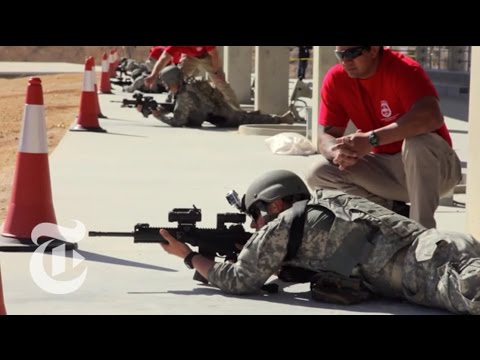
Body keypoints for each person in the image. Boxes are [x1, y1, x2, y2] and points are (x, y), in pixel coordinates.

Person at [159, 169, 480, 315]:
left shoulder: (283, 224)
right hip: (443, 248)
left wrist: (188, 256)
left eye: (256, 215)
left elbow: (241, 280)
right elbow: (342, 255)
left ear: (275, 205)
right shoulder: (329, 203)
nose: (255, 225)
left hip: (430, 269)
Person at [305, 46, 462, 229]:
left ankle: (421, 234)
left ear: (373, 50)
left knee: (417, 142)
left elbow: (431, 116)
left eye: (353, 53)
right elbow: (326, 135)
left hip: (436, 171)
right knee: (319, 172)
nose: (345, 60)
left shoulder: (403, 69)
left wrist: (371, 139)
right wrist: (336, 150)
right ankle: (392, 215)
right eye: (340, 54)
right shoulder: (336, 78)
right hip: (388, 169)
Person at [139, 65, 297, 128]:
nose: (166, 87)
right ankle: (281, 118)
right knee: (248, 117)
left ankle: (282, 119)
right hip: (221, 111)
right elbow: (183, 110)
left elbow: (178, 121)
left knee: (249, 119)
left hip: (223, 116)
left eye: (167, 83)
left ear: (174, 81)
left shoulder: (185, 95)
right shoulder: (186, 89)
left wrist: (158, 115)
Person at [144, 46, 241, 111]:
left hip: (207, 56)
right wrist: (153, 75)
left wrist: (216, 72)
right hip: (189, 56)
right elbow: (164, 58)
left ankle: (237, 110)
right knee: (178, 79)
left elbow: (215, 55)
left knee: (221, 83)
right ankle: (173, 104)